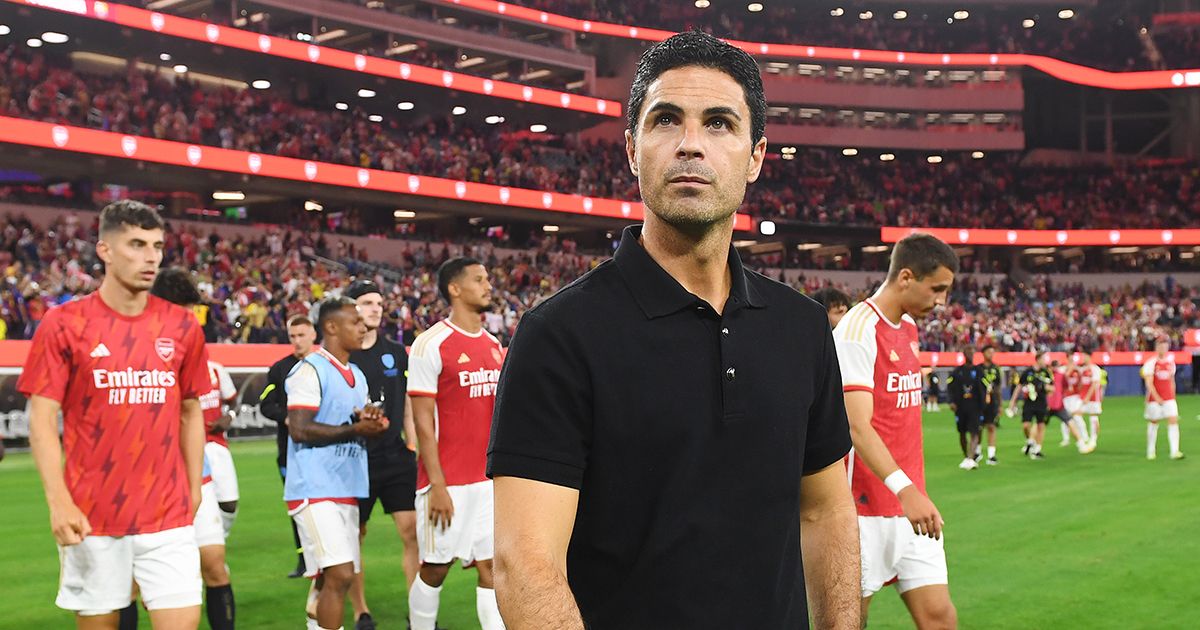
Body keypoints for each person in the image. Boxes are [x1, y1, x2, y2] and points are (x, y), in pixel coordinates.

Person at [489, 31, 859, 629]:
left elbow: (826, 513)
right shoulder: (558, 336)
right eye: (667, 120)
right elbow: (526, 566)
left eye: (718, 123)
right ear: (633, 149)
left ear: (756, 157)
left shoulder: (803, 327)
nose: (691, 145)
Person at [18, 200, 209, 629]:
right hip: (93, 514)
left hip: (168, 514)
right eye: (137, 244)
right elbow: (42, 419)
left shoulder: (182, 326)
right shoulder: (64, 323)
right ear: (105, 250)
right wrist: (58, 501)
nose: (151, 257)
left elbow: (192, 410)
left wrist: (194, 487)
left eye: (157, 246)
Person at [834, 232, 960, 628]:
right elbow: (857, 426)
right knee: (850, 621)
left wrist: (912, 492)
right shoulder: (857, 331)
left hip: (911, 508)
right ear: (906, 277)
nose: (941, 302)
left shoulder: (908, 327)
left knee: (939, 617)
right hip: (862, 510)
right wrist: (905, 490)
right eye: (936, 289)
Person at [406, 258, 506, 630]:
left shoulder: (495, 345)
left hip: (486, 482)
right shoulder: (429, 344)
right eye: (479, 279)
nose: (488, 285)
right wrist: (437, 485)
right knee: (435, 567)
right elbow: (422, 423)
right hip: (446, 483)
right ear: (455, 288)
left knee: (491, 565)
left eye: (488, 278)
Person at [284, 298, 388, 630]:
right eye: (355, 322)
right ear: (331, 327)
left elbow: (355, 429)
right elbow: (299, 429)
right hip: (314, 488)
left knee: (326, 580)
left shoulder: (356, 374)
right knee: (341, 575)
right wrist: (356, 428)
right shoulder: (310, 370)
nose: (364, 327)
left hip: (346, 486)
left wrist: (372, 426)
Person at [150, 267, 236, 630]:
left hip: (195, 477)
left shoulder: (193, 353)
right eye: (187, 312)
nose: (192, 321)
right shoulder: (135, 349)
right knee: (133, 586)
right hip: (146, 482)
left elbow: (192, 413)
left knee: (215, 563)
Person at [344, 280, 419, 630]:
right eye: (366, 302)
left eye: (378, 302)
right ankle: (361, 612)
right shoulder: (343, 354)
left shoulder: (397, 351)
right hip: (354, 458)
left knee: (412, 532)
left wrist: (412, 443)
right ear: (351, 308)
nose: (375, 308)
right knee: (355, 536)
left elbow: (406, 402)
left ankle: (418, 612)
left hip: (395, 457)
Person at [259, 315, 318, 578]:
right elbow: (265, 403)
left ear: (313, 335)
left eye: (301, 335)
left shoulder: (323, 366)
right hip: (289, 452)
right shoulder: (279, 369)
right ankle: (303, 559)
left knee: (322, 505)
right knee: (297, 507)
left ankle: (323, 557)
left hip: (321, 450)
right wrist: (286, 417)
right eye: (292, 336)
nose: (296, 341)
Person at [1142, 338, 1184, 460]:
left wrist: (1173, 395)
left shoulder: (1170, 363)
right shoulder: (1151, 363)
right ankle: (1151, 451)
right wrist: (1156, 397)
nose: (1163, 349)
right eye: (1161, 346)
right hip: (1155, 399)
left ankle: (1175, 451)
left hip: (1169, 398)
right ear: (1157, 348)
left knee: (1173, 420)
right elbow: (1149, 383)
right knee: (1154, 422)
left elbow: (1171, 381)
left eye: (1165, 347)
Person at [1008, 352, 1054, 460]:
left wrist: (1044, 387)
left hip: (1041, 402)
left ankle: (1037, 449)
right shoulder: (1027, 372)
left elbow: (1052, 388)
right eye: (1043, 359)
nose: (1045, 361)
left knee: (1041, 425)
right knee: (1026, 425)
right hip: (1029, 402)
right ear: (1038, 359)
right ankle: (1030, 440)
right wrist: (1012, 401)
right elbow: (1019, 387)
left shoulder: (1046, 373)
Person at [947, 347, 986, 469]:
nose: (970, 355)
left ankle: (971, 457)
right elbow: (950, 388)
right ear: (964, 354)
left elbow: (984, 388)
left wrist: (983, 404)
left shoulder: (979, 371)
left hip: (975, 406)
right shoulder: (957, 372)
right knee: (962, 432)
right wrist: (951, 402)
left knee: (974, 431)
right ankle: (966, 456)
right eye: (968, 352)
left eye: (972, 352)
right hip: (961, 406)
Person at [979, 346, 1003, 464]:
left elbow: (998, 388)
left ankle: (991, 454)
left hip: (992, 402)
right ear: (983, 353)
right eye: (989, 352)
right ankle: (977, 452)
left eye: (993, 352)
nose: (991, 354)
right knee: (978, 427)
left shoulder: (996, 368)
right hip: (979, 402)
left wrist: (1000, 405)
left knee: (991, 426)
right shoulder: (978, 369)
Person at [1077, 351, 1103, 449]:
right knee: (1076, 415)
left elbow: (1095, 384)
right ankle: (1085, 436)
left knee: (1093, 417)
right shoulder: (1082, 369)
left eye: (1084, 356)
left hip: (1093, 398)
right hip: (1082, 397)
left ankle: (1093, 439)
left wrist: (1088, 396)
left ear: (1089, 357)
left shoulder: (1095, 369)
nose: (1083, 358)